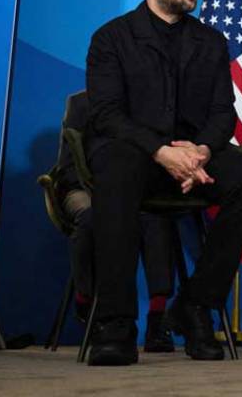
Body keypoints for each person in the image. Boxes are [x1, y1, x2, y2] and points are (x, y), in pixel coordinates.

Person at [84, 0, 242, 366]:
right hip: (136, 154)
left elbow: (224, 113)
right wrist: (161, 152)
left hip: (194, 157)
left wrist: (201, 151)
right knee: (115, 170)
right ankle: (116, 324)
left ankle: (196, 305)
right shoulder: (111, 38)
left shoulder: (210, 41)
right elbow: (108, 114)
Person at [53, 91, 175, 353]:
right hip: (83, 190)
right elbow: (67, 164)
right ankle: (86, 302)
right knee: (94, 219)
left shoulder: (145, 105)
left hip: (133, 193)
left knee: (156, 220)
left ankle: (158, 318)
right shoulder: (81, 102)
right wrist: (104, 191)